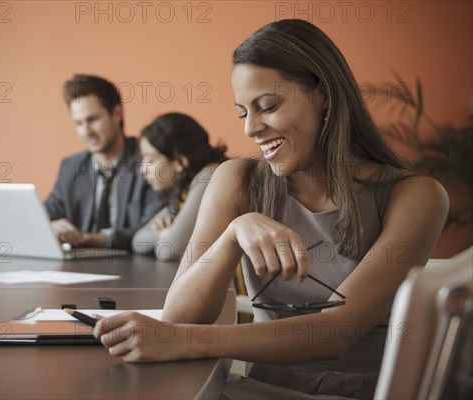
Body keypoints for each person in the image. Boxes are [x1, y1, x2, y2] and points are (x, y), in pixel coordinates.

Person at [90, 19, 449, 399]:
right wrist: (232, 235)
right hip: (263, 389)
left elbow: (334, 333)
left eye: (268, 106)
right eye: (243, 113)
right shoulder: (236, 180)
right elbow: (179, 316)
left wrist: (185, 341)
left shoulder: (415, 196)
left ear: (323, 94)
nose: (251, 129)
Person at [45, 74, 165, 249]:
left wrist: (89, 238)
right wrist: (50, 227)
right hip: (79, 270)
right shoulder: (71, 167)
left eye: (92, 120)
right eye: (78, 123)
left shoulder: (150, 162)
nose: (86, 131)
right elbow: (41, 217)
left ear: (117, 113)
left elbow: (149, 229)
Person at [132, 113, 228, 261]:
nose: (143, 169)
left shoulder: (209, 176)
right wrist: (164, 234)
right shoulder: (184, 189)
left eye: (150, 160)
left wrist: (168, 236)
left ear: (179, 162)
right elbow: (137, 240)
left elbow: (169, 250)